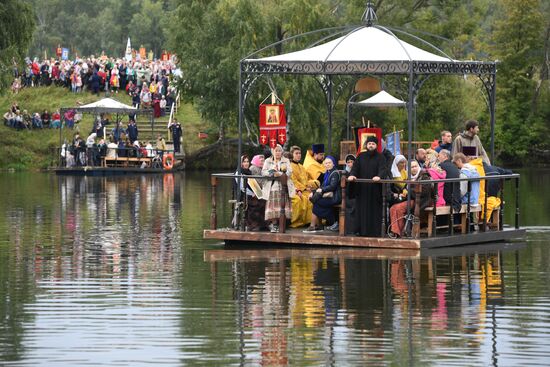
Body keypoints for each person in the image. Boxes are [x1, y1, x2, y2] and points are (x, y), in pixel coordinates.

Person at [348, 136, 386, 237]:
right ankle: (361, 231)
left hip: (375, 189)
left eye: (373, 144)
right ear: (366, 145)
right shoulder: (360, 156)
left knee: (374, 211)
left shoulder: (381, 157)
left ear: (376, 146)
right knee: (362, 210)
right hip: (362, 189)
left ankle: (375, 232)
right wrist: (352, 175)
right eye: (369, 144)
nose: (371, 145)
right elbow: (355, 168)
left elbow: (383, 169)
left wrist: (379, 176)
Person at [389, 160, 428, 237]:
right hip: (411, 199)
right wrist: (403, 192)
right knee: (393, 207)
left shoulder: (424, 176)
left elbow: (424, 192)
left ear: (418, 166)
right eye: (412, 167)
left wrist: (409, 191)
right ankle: (396, 231)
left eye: (415, 166)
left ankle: (398, 232)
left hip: (421, 201)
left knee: (398, 208)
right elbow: (405, 189)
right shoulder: (409, 177)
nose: (414, 168)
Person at [261, 144, 294, 233]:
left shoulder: (286, 160)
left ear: (282, 152)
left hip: (283, 185)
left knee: (282, 206)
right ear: (273, 151)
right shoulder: (268, 160)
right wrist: (272, 172)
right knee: (273, 206)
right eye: (276, 150)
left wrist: (280, 174)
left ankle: (282, 224)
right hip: (272, 186)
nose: (278, 152)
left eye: (279, 151)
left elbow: (290, 172)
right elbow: (263, 172)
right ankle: (274, 224)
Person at [304, 156, 342, 232]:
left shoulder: (335, 173)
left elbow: (332, 186)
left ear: (333, 164)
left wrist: (321, 190)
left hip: (334, 197)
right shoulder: (327, 173)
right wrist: (313, 192)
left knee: (317, 202)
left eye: (329, 163)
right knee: (316, 201)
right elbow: (322, 186)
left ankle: (314, 226)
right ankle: (321, 225)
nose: (327, 164)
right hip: (329, 196)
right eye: (326, 163)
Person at [234, 155, 268, 231]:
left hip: (252, 193)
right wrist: (252, 194)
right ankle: (252, 224)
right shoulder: (238, 172)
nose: (246, 163)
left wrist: (257, 193)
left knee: (263, 200)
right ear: (241, 163)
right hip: (244, 195)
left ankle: (262, 224)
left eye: (247, 161)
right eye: (244, 162)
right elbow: (242, 187)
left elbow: (253, 184)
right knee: (255, 203)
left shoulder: (249, 172)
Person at [289, 146, 313, 228]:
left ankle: (310, 221)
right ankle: (296, 222)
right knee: (304, 199)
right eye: (296, 153)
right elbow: (293, 181)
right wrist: (304, 188)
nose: (298, 155)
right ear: (292, 154)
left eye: (299, 153)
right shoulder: (290, 166)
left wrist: (309, 185)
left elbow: (306, 179)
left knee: (313, 197)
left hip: (305, 189)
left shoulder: (302, 167)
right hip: (296, 190)